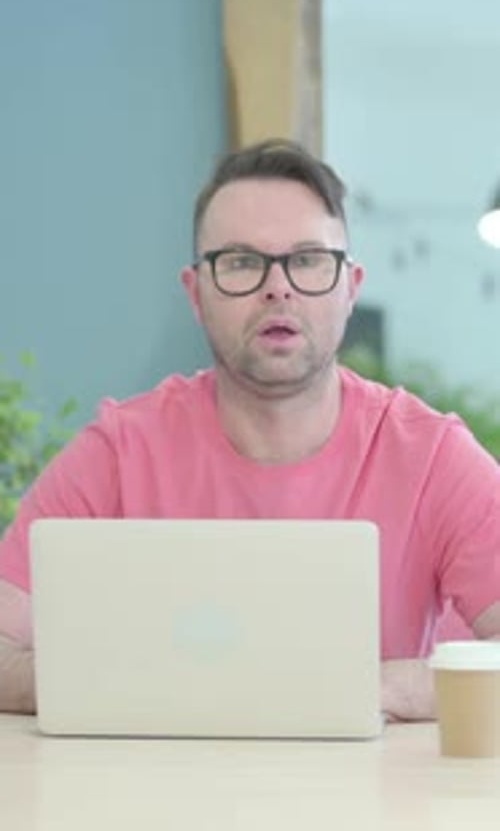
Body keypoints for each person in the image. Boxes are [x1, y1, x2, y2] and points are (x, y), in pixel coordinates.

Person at [1, 138, 500, 719]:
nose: (277, 287)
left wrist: (377, 688)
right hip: (163, 778)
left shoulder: (432, 455)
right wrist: (133, 683)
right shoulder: (120, 452)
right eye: (241, 261)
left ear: (351, 287)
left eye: (308, 260)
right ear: (196, 294)